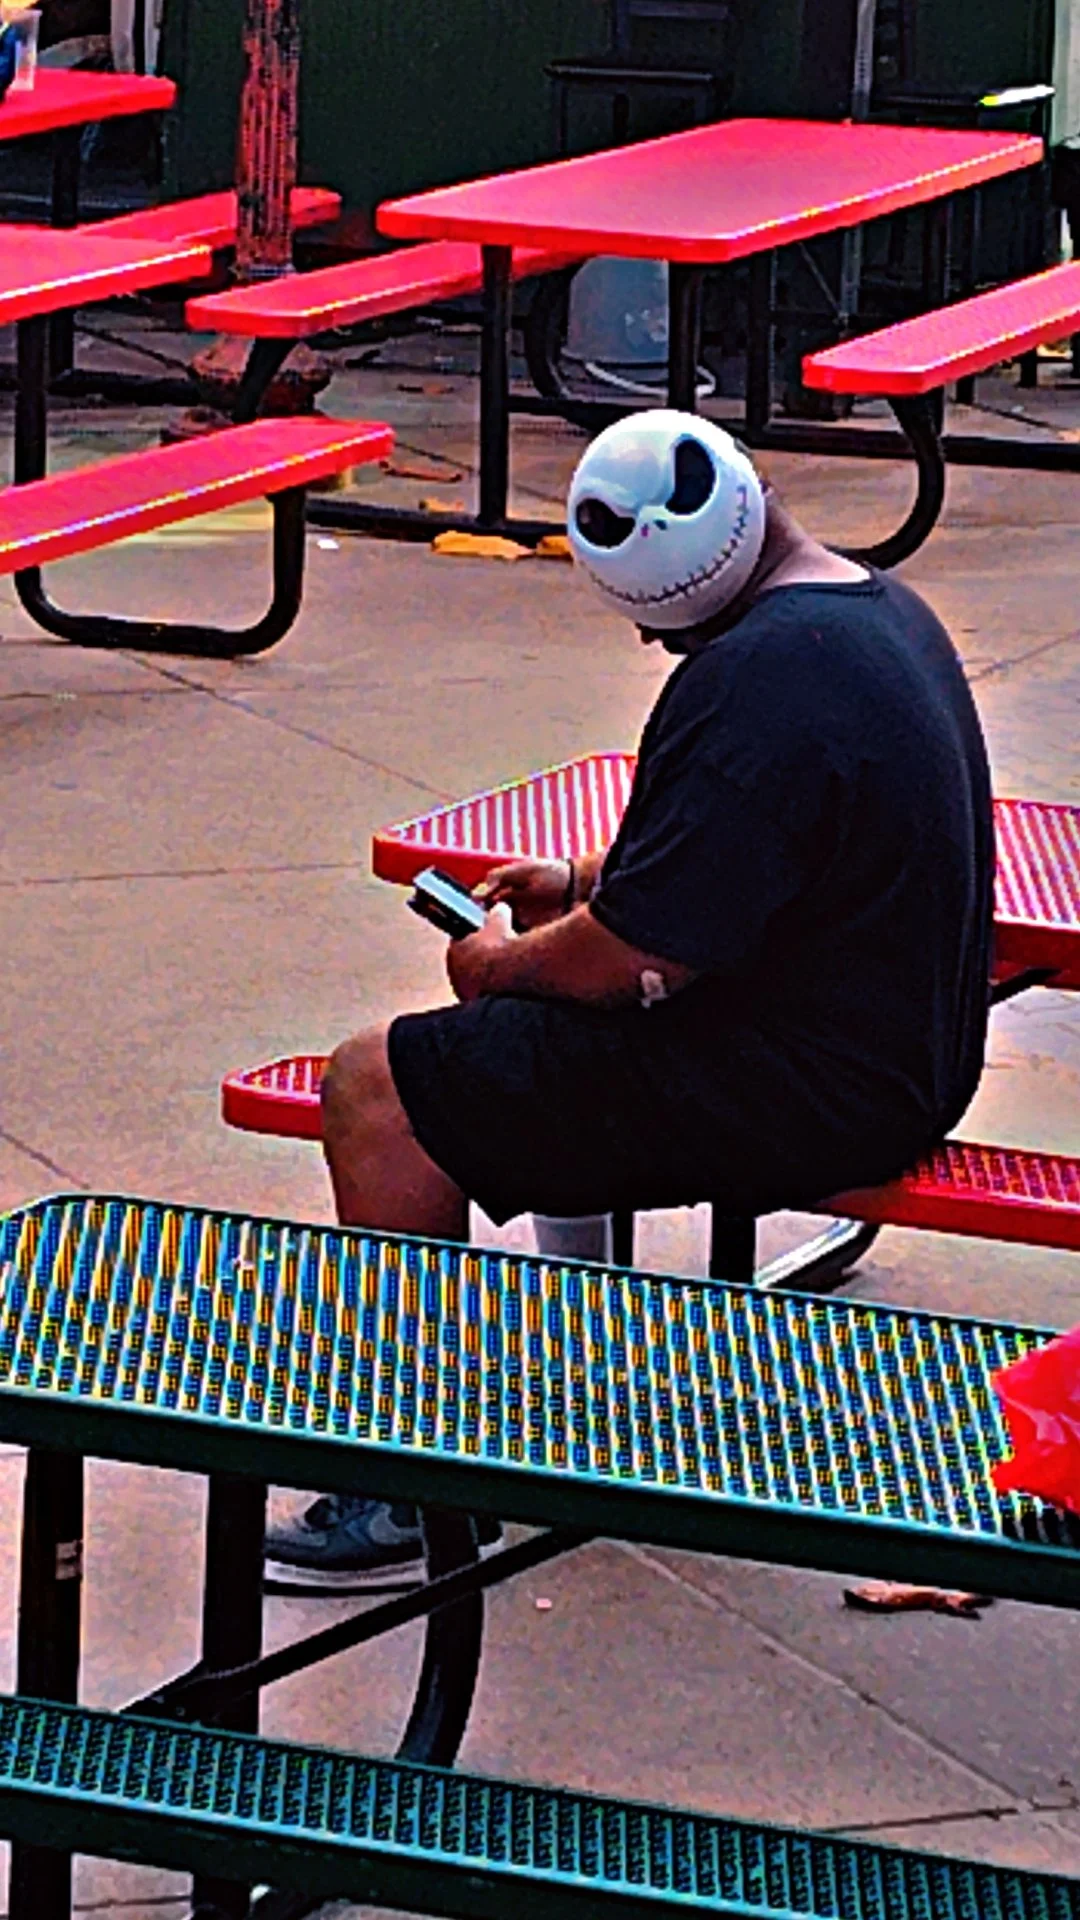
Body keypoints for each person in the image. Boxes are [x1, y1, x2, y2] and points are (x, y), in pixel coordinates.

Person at [265, 409, 994, 1581]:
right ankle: (564, 1334)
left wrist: (496, 966)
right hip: (902, 1055)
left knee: (381, 1084)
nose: (661, 655)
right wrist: (576, 880)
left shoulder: (757, 678)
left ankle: (395, 1494)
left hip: (825, 1094)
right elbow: (749, 842)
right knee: (522, 1034)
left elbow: (632, 960)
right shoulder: (874, 611)